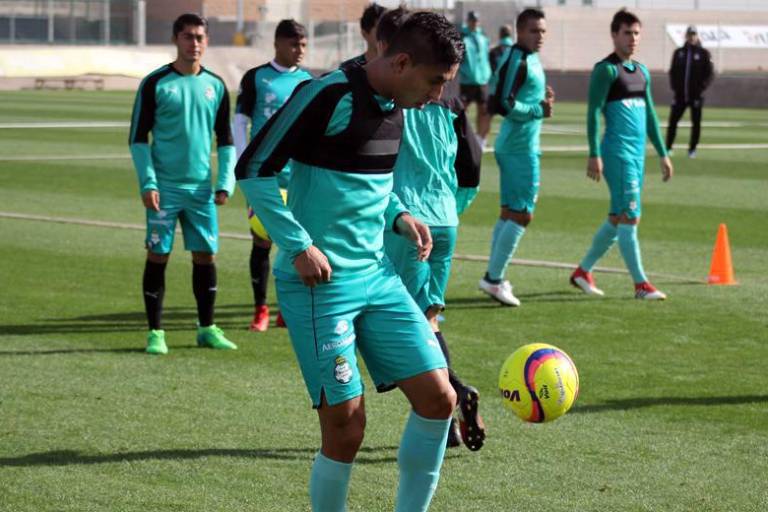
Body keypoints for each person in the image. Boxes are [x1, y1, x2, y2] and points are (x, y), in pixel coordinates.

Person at [235, 12, 464, 511]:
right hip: (322, 287)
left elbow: (365, 182)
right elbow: (252, 168)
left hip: (378, 277)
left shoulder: (400, 103)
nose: (437, 96)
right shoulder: (328, 93)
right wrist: (297, 245)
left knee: (440, 399)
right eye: (434, 82)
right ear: (401, 62)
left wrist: (399, 214)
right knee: (346, 428)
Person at [377, 7, 485, 451]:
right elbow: (473, 164)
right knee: (428, 319)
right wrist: (453, 208)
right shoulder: (452, 102)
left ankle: (452, 396)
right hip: (445, 218)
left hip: (407, 225)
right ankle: (448, 418)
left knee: (401, 328)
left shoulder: (393, 97)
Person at [128, 13, 237, 355]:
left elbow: (227, 139)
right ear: (176, 39)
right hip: (165, 189)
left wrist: (225, 181)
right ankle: (155, 333)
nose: (195, 44)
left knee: (206, 256)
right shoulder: (155, 83)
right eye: (189, 37)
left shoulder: (216, 85)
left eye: (201, 37)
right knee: (158, 255)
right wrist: (148, 183)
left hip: (201, 190)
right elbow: (137, 138)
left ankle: (206, 328)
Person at [570, 9, 673, 300]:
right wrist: (594, 153)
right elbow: (592, 113)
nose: (632, 39)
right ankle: (641, 284)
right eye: (627, 33)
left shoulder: (641, 72)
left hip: (637, 156)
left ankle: (583, 271)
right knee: (630, 216)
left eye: (636, 33)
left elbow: (651, 114)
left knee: (618, 216)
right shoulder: (606, 70)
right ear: (614, 35)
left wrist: (662, 153)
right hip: (617, 154)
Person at [233, 19, 313, 332]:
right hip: (264, 176)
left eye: (304, 45)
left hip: (298, 178)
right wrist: (243, 168)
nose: (300, 51)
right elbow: (239, 123)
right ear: (278, 44)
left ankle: (286, 310)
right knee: (262, 241)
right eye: (294, 44)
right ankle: (260, 310)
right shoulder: (256, 78)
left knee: (296, 245)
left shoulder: (309, 81)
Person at [479, 8, 553, 307]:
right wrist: (538, 110)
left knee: (510, 212)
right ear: (520, 31)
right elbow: (502, 103)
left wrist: (541, 102)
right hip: (518, 148)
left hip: (519, 145)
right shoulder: (516, 58)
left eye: (543, 31)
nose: (540, 36)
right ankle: (493, 279)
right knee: (522, 214)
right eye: (534, 31)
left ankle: (495, 276)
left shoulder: (528, 58)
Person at [666, 25, 714, 158]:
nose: (691, 37)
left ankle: (692, 149)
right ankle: (668, 148)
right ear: (686, 36)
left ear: (697, 36)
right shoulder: (679, 53)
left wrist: (701, 88)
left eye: (694, 34)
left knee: (696, 123)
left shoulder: (703, 53)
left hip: (696, 96)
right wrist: (675, 87)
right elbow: (673, 72)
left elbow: (709, 73)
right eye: (689, 34)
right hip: (680, 95)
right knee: (673, 121)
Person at [458, 10, 492, 147]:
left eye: (476, 20)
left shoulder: (483, 37)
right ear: (468, 21)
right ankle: (461, 137)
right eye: (472, 20)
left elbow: (484, 57)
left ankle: (480, 140)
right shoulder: (462, 36)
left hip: (482, 81)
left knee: (483, 110)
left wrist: (487, 73)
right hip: (467, 81)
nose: (474, 23)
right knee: (462, 111)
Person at [339, 3, 387, 69]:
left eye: (387, 29)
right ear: (365, 33)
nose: (385, 34)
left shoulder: (399, 69)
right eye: (380, 29)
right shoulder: (348, 71)